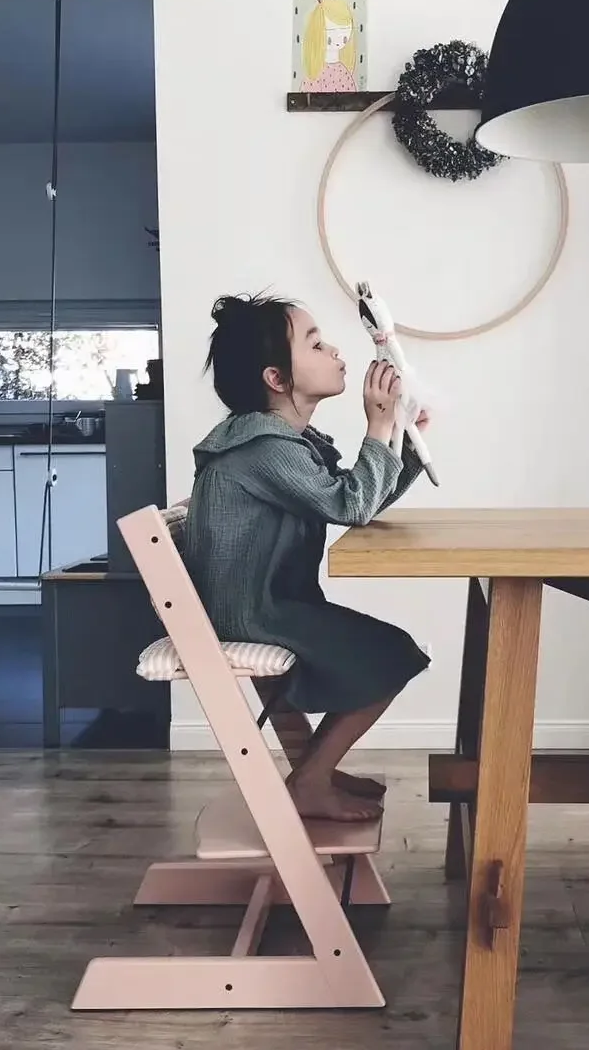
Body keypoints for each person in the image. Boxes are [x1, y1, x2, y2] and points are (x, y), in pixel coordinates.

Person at [184, 292, 431, 822]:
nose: (334, 349)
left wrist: (403, 447)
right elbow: (351, 503)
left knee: (383, 651)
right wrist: (378, 426)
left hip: (260, 602)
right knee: (391, 655)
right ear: (278, 379)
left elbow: (351, 496)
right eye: (315, 343)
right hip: (251, 612)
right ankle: (312, 780)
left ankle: (314, 770)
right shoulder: (264, 448)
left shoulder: (279, 441)